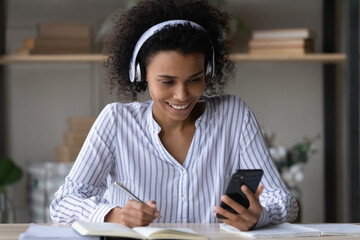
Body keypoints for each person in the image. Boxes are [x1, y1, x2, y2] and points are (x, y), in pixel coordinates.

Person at [50, 0, 298, 231]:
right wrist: (115, 215)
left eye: (195, 80)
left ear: (207, 72)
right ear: (141, 74)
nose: (181, 95)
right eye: (166, 81)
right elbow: (63, 203)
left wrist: (259, 215)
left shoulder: (234, 115)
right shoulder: (116, 121)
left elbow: (284, 201)